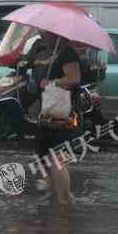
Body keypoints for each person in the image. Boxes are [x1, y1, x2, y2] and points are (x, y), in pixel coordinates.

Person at [36, 31, 83, 207]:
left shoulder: (68, 53)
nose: (43, 36)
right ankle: (55, 197)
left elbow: (74, 78)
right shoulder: (55, 52)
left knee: (58, 157)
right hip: (52, 114)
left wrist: (51, 83)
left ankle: (62, 200)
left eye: (46, 34)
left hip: (63, 114)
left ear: (57, 35)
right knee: (49, 157)